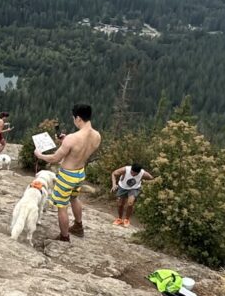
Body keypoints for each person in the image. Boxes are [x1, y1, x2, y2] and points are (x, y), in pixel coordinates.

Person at [33, 103, 102, 241]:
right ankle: (78, 226)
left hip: (67, 175)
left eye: (73, 118)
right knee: (74, 198)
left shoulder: (72, 138)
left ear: (78, 118)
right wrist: (65, 142)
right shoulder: (97, 136)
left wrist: (39, 155)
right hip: (80, 173)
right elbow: (80, 150)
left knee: (62, 206)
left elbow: (55, 158)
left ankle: (64, 236)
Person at [110, 163, 154, 227]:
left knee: (130, 203)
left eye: (135, 174)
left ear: (139, 172)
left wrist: (146, 186)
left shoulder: (143, 173)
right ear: (131, 169)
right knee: (120, 204)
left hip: (134, 188)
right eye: (132, 172)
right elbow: (114, 173)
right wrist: (114, 184)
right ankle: (119, 219)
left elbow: (152, 178)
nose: (133, 174)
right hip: (123, 187)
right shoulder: (125, 169)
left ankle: (126, 219)